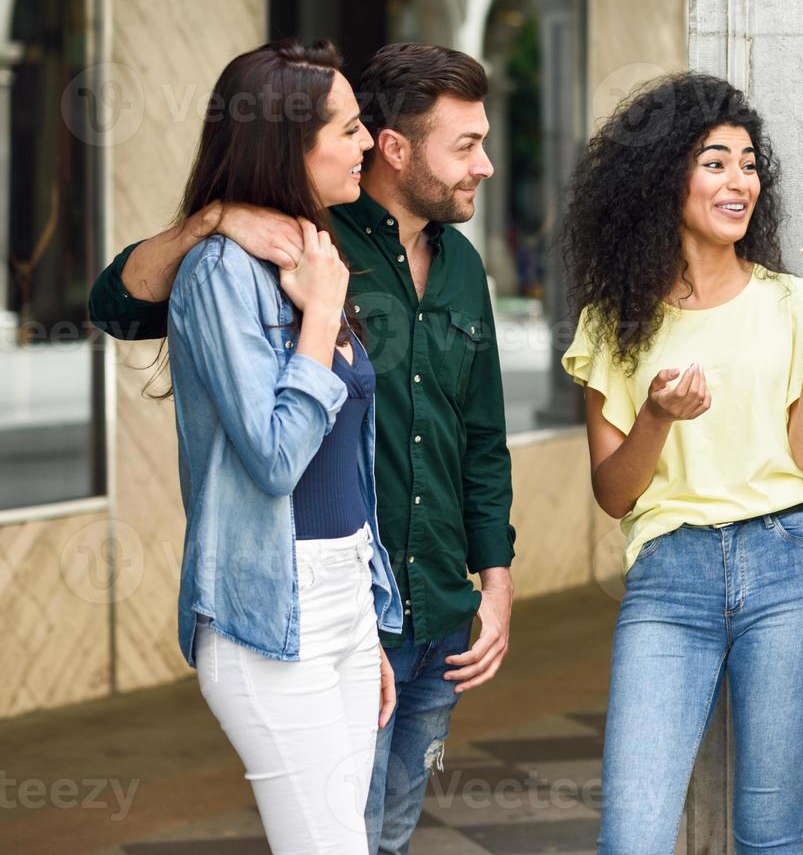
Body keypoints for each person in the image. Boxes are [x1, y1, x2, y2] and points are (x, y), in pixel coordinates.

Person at [87, 42, 517, 855]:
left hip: (383, 601)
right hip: (285, 599)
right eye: (465, 145)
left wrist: (480, 581)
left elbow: (478, 439)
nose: (486, 166)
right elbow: (118, 305)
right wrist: (214, 222)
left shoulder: (448, 265)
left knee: (377, 835)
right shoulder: (275, 253)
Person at [560, 73, 803, 854]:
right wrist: (657, 417)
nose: (740, 182)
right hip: (669, 580)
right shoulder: (613, 324)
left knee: (767, 839)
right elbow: (615, 495)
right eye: (715, 162)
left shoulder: (793, 300)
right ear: (664, 179)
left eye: (750, 163)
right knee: (632, 836)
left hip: (788, 568)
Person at [160, 38, 402, 853]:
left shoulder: (314, 251)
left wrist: (363, 623)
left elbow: (346, 465)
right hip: (267, 611)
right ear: (286, 143)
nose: (367, 142)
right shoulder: (219, 272)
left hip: (341, 596)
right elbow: (273, 459)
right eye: (348, 129)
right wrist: (322, 318)